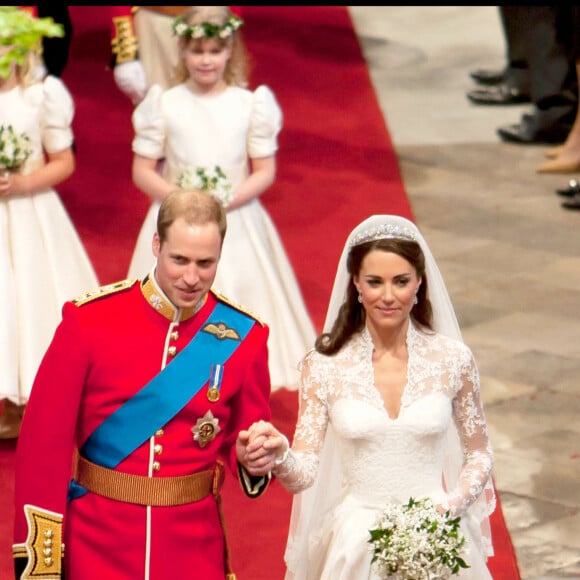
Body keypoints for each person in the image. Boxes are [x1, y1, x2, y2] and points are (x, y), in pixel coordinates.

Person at [12, 189, 279, 579]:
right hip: (97, 543)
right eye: (179, 260)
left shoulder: (245, 336)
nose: (191, 277)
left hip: (193, 547)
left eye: (206, 263)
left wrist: (255, 458)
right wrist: (40, 564)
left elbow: (246, 440)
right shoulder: (89, 322)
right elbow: (42, 448)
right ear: (156, 245)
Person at [241, 215, 496, 579]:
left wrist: (451, 507)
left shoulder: (453, 360)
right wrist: (281, 453)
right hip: (357, 545)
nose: (388, 296)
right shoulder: (324, 365)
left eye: (401, 282)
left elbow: (480, 452)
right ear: (356, 284)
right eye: (375, 282)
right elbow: (303, 476)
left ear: (420, 283)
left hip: (437, 533)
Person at [127, 6, 316, 389]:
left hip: (236, 217)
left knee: (239, 289)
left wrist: (224, 202)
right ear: (182, 51)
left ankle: (234, 371)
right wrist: (181, 202)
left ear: (230, 51)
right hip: (177, 218)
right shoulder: (165, 103)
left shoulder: (249, 104)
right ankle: (171, 369)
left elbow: (264, 170)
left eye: (214, 51)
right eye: (197, 52)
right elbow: (142, 170)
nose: (206, 60)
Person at [0, 7, 98, 439]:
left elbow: (63, 161)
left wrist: (21, 182)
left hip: (28, 215)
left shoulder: (40, 97)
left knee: (27, 301)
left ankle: (27, 400)